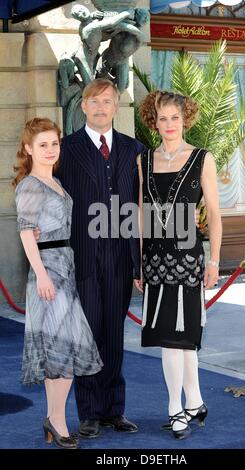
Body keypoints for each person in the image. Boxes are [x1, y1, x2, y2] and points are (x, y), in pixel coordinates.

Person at [57, 78, 144, 438]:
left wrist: (141, 263)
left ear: (117, 105)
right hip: (83, 256)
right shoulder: (65, 149)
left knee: (113, 333)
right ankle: (89, 412)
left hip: (121, 257)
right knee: (87, 334)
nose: (100, 107)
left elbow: (142, 207)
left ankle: (113, 410)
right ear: (83, 106)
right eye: (94, 101)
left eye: (107, 101)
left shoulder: (134, 149)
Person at [135, 91, 222, 440]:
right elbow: (142, 214)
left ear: (185, 118)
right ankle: (196, 400)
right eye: (162, 118)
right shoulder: (144, 160)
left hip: (187, 260)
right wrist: (139, 262)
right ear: (153, 120)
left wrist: (214, 259)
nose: (168, 124)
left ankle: (175, 409)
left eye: (174, 117)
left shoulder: (203, 158)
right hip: (154, 260)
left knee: (178, 339)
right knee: (177, 339)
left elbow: (214, 214)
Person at [13, 118, 103, 449]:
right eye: (43, 145)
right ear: (28, 149)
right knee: (64, 350)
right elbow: (25, 232)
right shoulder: (30, 185)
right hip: (48, 274)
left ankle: (53, 418)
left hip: (65, 270)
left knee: (58, 352)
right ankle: (59, 421)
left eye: (55, 144)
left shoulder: (55, 182)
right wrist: (42, 276)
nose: (51, 150)